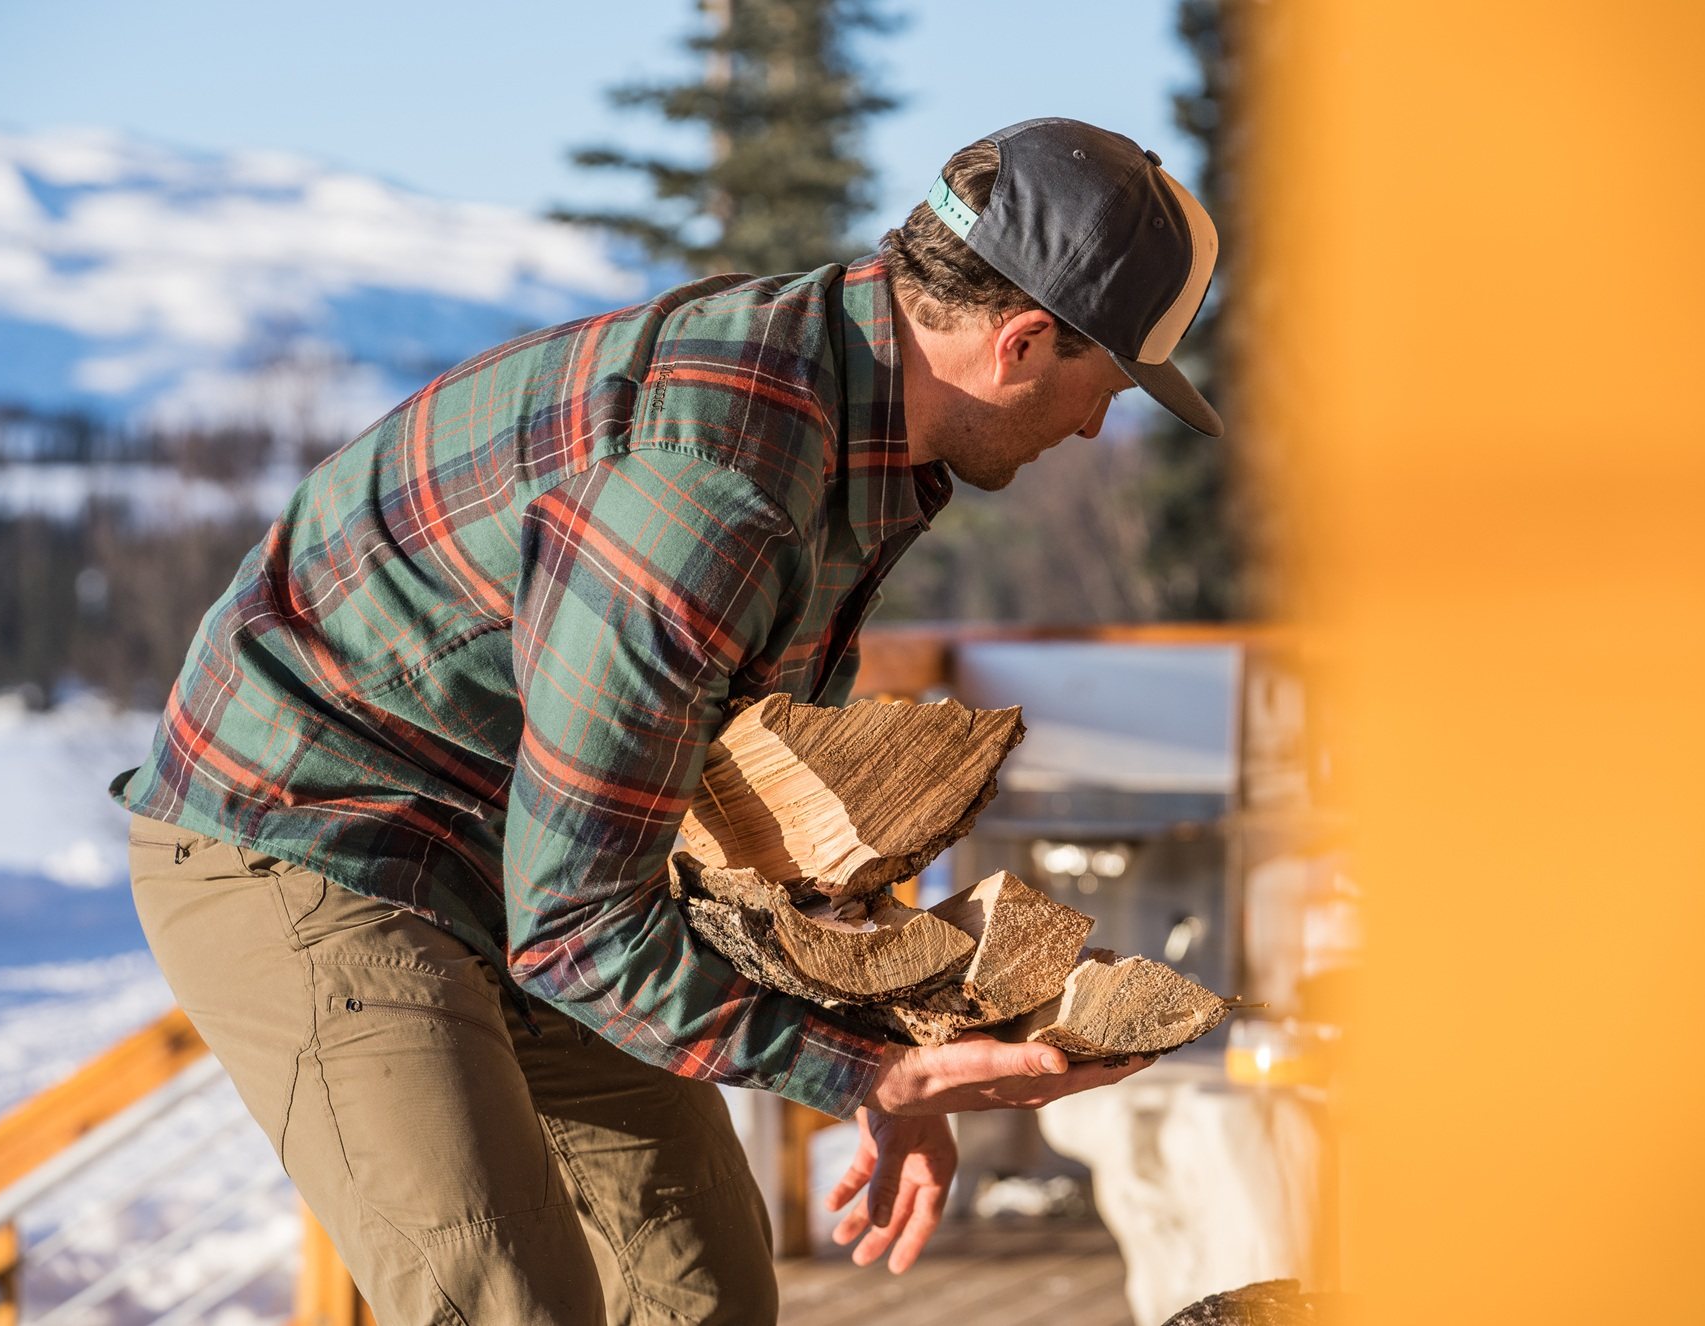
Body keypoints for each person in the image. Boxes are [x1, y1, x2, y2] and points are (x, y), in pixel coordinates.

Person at [113, 116, 1223, 1326]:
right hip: (317, 830)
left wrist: (891, 1058)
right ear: (1020, 342)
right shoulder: (710, 486)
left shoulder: (858, 413)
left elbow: (745, 797)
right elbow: (575, 928)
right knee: (506, 1299)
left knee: (703, 1287)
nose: (1093, 428)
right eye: (1107, 387)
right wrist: (867, 1069)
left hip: (545, 843)